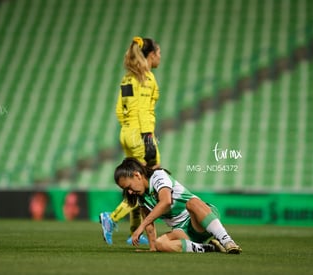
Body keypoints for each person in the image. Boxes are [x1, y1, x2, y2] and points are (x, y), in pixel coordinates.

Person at [99, 36, 161, 245]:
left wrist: (128, 128)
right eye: (158, 53)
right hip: (140, 135)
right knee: (146, 181)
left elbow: (119, 109)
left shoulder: (127, 78)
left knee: (136, 181)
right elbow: (143, 111)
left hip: (126, 132)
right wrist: (148, 140)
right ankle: (112, 217)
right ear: (151, 55)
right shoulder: (146, 78)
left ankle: (135, 232)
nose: (160, 57)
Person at [113, 157, 242, 253]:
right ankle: (210, 248)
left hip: (200, 219)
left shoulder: (158, 176)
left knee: (192, 202)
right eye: (126, 190)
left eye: (129, 187)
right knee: (160, 244)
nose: (129, 192)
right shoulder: (140, 195)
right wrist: (152, 247)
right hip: (182, 231)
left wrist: (140, 227)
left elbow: (166, 202)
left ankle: (227, 241)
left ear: (137, 175)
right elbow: (149, 225)